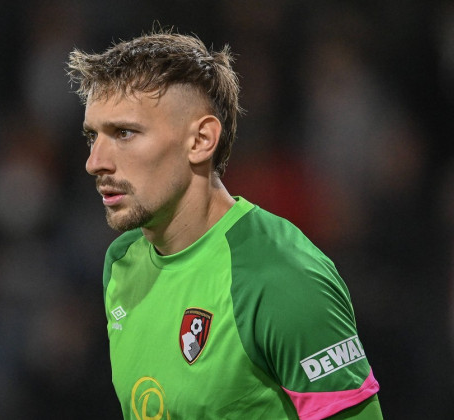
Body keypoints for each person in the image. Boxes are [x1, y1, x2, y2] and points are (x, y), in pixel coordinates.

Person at [67, 30, 382, 420]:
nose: (95, 161)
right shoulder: (121, 262)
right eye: (92, 136)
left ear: (201, 140)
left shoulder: (281, 276)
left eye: (124, 133)